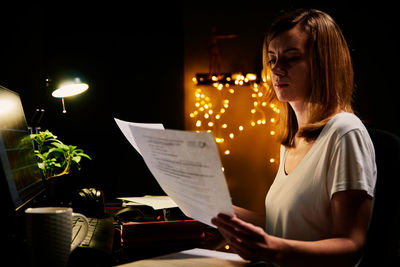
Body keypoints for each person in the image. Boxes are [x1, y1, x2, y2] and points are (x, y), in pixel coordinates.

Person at [211, 8, 377, 267]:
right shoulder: (292, 140)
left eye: (291, 58)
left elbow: (350, 246)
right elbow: (288, 228)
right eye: (272, 59)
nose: (277, 69)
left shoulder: (345, 133)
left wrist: (271, 249)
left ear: (323, 65)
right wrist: (223, 214)